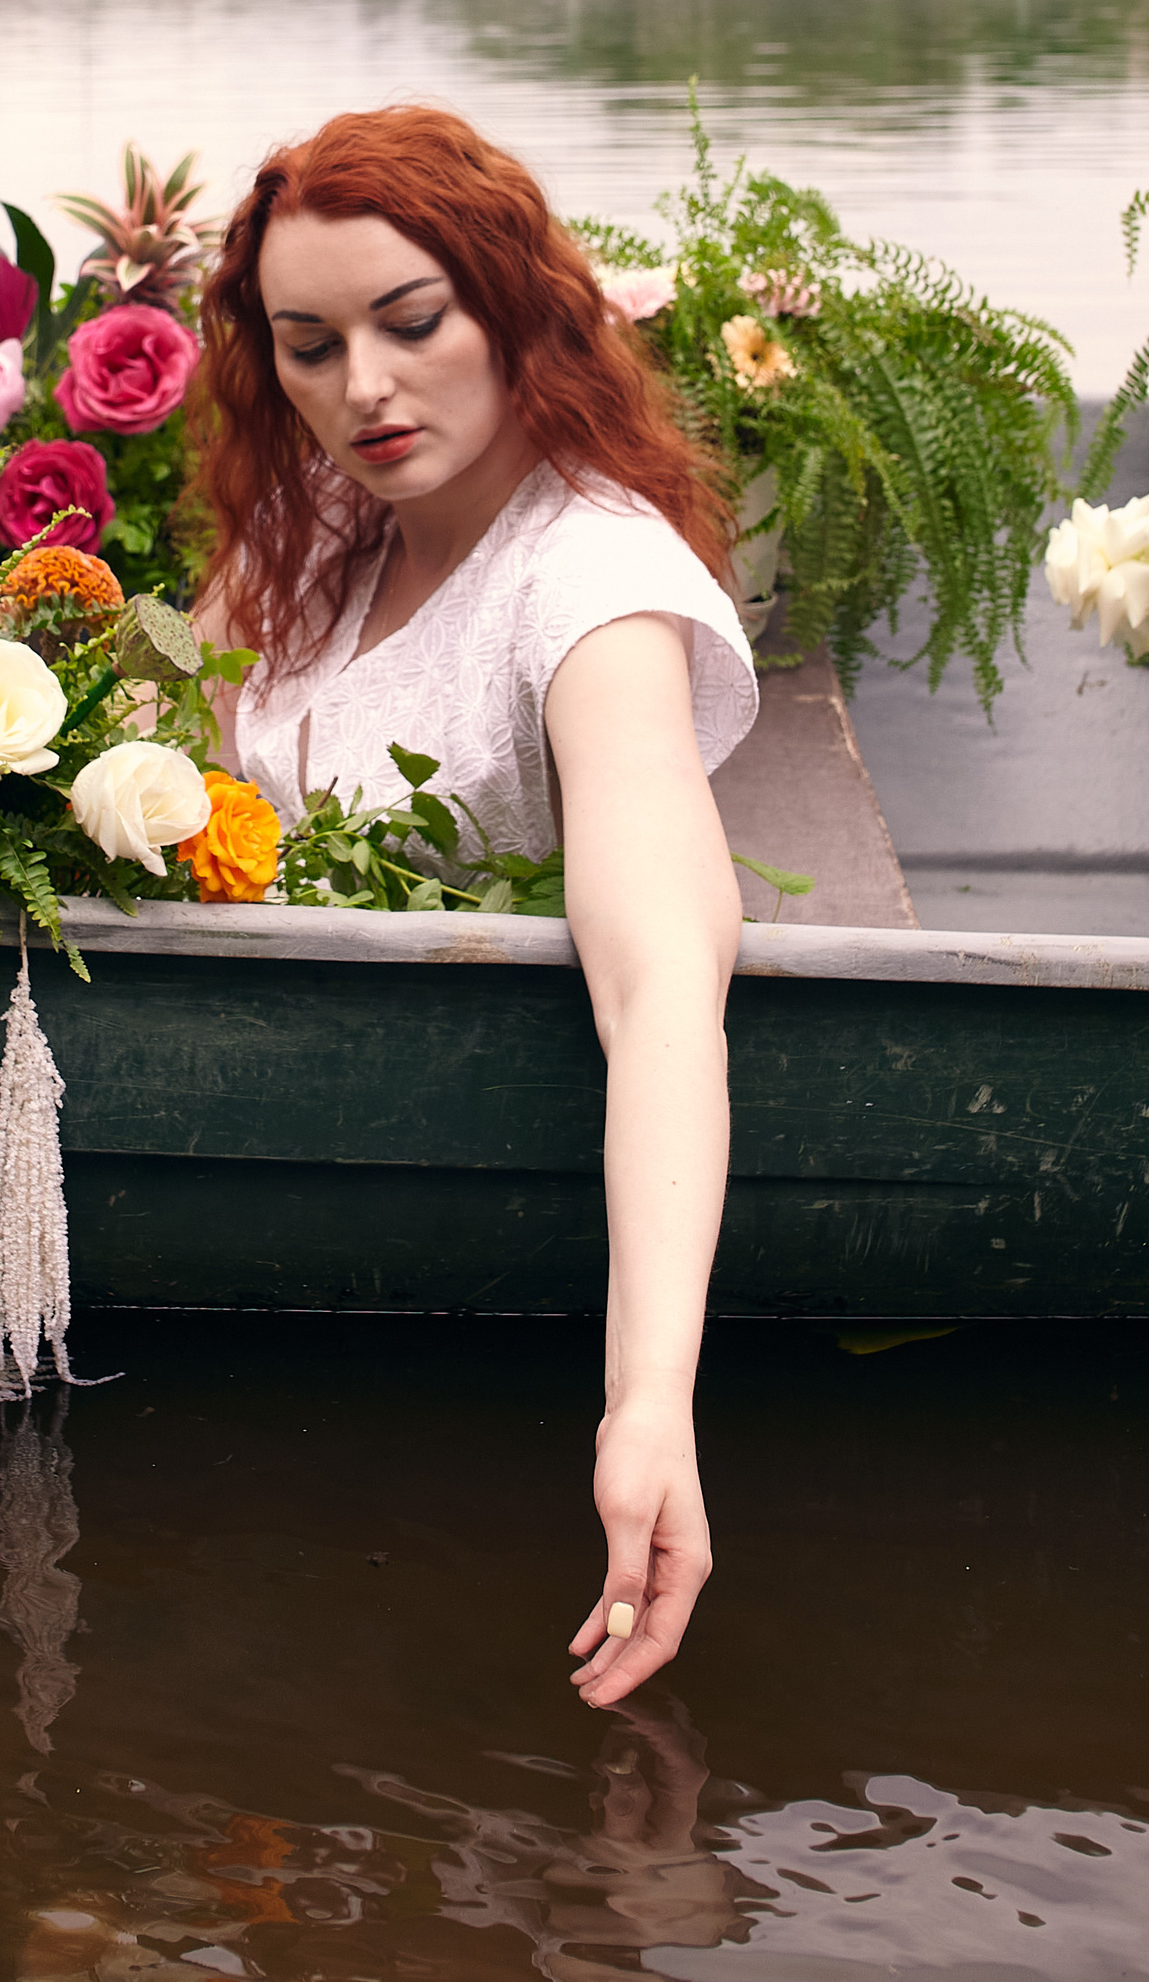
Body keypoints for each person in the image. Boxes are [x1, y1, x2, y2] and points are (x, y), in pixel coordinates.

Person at [185, 107, 756, 1705]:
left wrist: (648, 1403)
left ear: (512, 304)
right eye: (308, 345)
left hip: (443, 1256)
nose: (361, 387)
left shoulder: (591, 592)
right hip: (271, 1203)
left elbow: (660, 985)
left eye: (411, 323)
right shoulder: (313, 545)